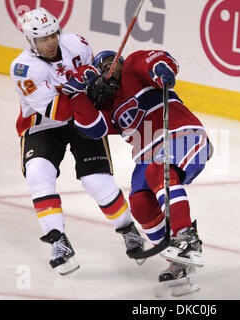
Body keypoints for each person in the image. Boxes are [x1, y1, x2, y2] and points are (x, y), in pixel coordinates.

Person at [9, 8, 145, 275]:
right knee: (38, 173)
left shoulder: (77, 44)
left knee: (97, 181)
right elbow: (57, 111)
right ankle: (57, 241)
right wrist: (85, 90)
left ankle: (129, 231)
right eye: (42, 39)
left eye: (52, 35)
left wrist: (102, 87)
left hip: (82, 120)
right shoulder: (23, 68)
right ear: (30, 41)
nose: (50, 42)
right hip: (43, 125)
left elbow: (96, 75)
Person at [61, 50, 214, 283]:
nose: (109, 69)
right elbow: (92, 129)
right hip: (147, 153)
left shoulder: (133, 67)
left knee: (157, 171)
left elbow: (160, 60)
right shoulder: (108, 105)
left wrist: (160, 69)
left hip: (181, 133)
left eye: (113, 62)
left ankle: (186, 237)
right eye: (103, 68)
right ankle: (180, 260)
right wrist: (77, 96)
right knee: (140, 204)